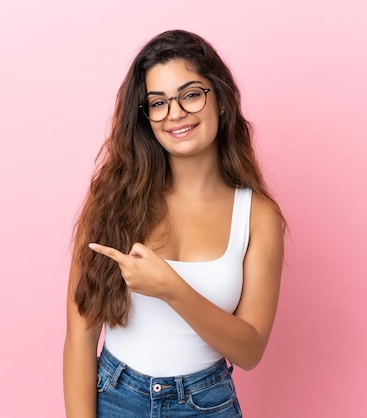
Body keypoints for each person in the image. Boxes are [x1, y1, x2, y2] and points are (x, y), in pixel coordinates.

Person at [63, 29, 284, 417]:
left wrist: (172, 290)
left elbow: (250, 351)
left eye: (191, 94)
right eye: (158, 102)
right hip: (115, 396)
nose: (176, 113)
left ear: (221, 99)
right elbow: (81, 338)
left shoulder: (257, 216)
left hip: (206, 403)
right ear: (146, 117)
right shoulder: (113, 201)